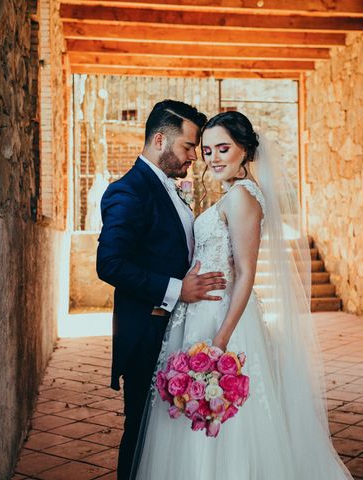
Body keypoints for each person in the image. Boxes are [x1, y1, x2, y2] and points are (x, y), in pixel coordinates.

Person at [132, 111, 353, 480]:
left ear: (245, 151)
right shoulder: (233, 195)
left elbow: (247, 273)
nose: (213, 158)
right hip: (199, 312)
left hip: (222, 320)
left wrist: (221, 339)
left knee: (225, 417)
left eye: (224, 148)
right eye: (206, 150)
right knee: (192, 412)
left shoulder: (243, 197)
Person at [96, 99, 227, 480]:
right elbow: (110, 264)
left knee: (162, 436)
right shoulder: (129, 190)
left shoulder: (167, 186)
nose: (193, 157)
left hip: (174, 331)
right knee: (139, 434)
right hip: (147, 334)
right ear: (159, 139)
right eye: (188, 146)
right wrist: (176, 290)